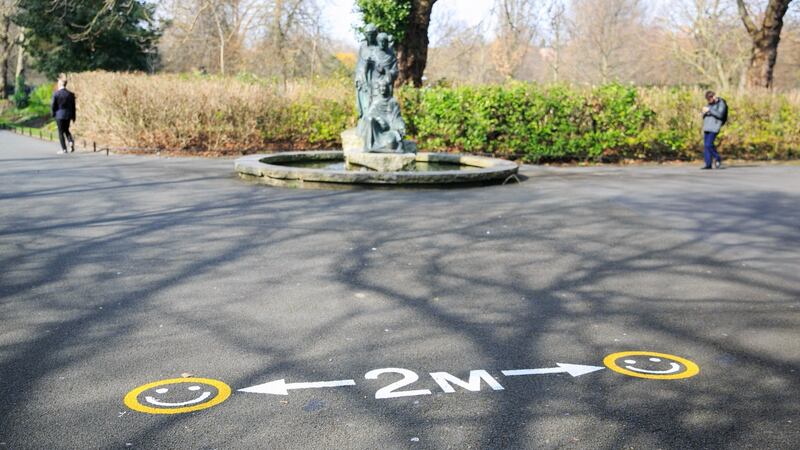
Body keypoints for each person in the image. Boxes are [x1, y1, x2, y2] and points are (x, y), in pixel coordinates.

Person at [701, 90, 727, 170]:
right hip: (707, 126)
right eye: (708, 100)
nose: (709, 101)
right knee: (706, 146)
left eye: (710, 99)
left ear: (714, 96)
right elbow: (705, 115)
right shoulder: (709, 104)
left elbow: (720, 115)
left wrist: (709, 110)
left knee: (709, 144)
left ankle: (717, 158)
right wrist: (703, 113)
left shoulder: (721, 103)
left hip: (714, 126)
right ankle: (708, 164)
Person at [51, 76, 76, 154]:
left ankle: (64, 149)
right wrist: (74, 116)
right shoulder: (70, 94)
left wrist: (53, 113)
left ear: (60, 84)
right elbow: (73, 106)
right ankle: (70, 141)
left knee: (60, 132)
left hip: (59, 115)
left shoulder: (56, 94)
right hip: (68, 115)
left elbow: (53, 105)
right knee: (66, 129)